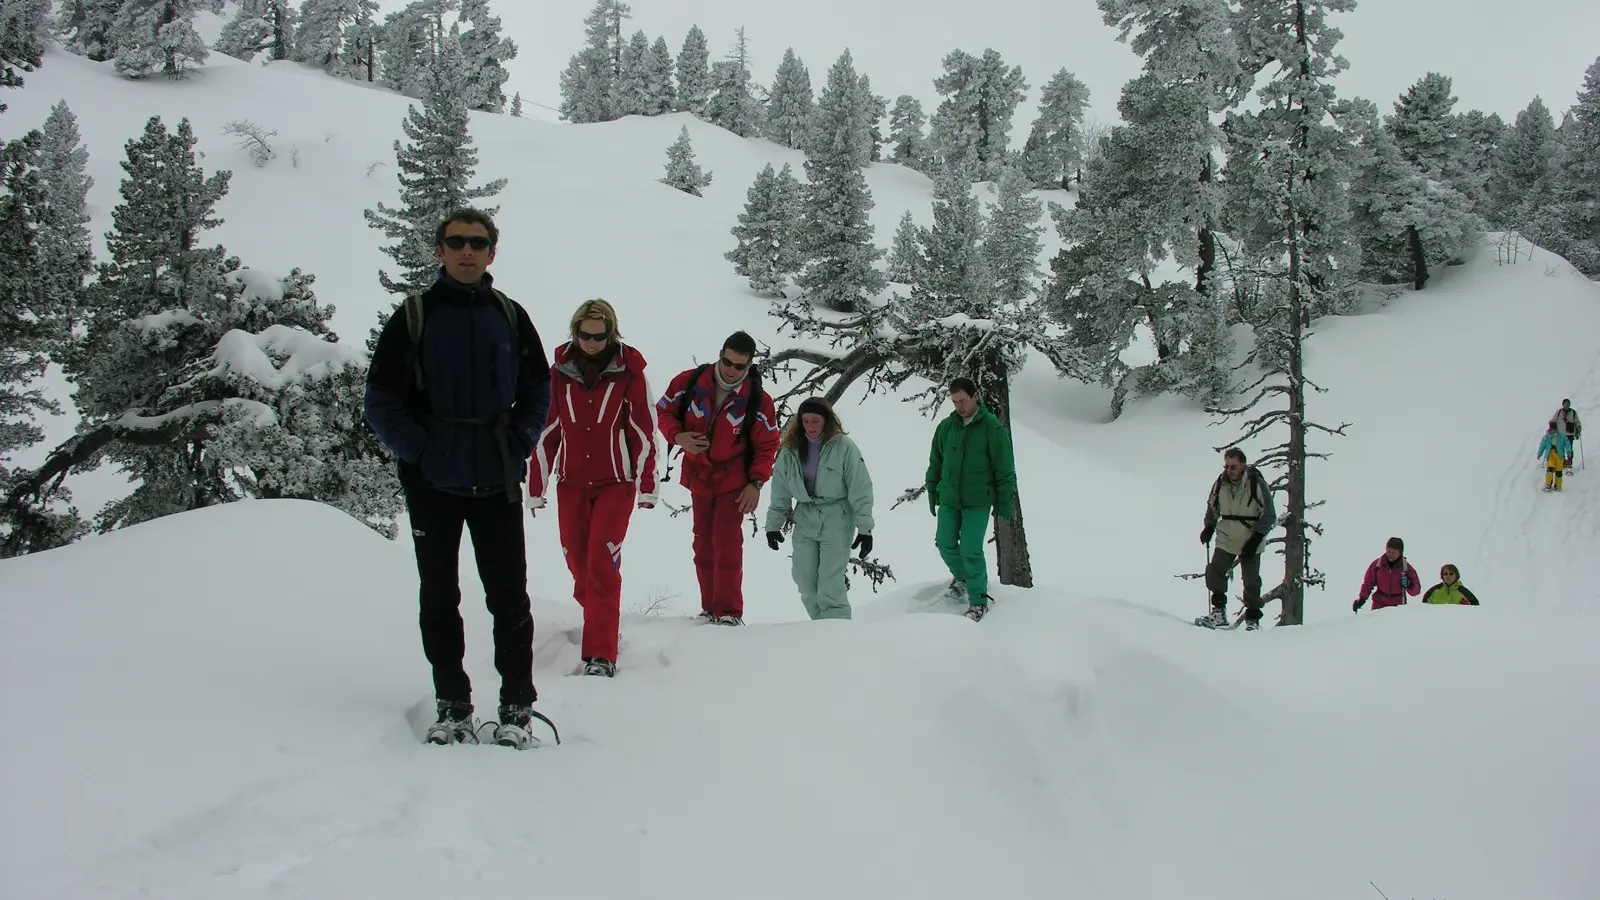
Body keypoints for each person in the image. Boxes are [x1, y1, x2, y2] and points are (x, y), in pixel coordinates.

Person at [363, 208, 553, 749]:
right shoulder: (414, 317)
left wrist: (517, 442)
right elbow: (380, 399)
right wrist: (422, 451)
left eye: (477, 242)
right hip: (432, 485)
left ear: (493, 252)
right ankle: (453, 706)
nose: (466, 251)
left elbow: (539, 389)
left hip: (496, 480)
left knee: (509, 599)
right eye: (456, 242)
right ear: (440, 250)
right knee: (440, 597)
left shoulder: (510, 316)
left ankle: (516, 708)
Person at [528, 299, 659, 678]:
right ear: (574, 332)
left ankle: (600, 654)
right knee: (578, 563)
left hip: (616, 485)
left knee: (601, 563)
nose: (591, 342)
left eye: (599, 336)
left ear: (611, 334)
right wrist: (536, 486)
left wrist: (647, 485)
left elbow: (642, 432)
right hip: (570, 484)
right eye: (584, 335)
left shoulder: (629, 373)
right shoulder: (558, 374)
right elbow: (547, 431)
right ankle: (603, 616)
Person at [655, 331, 780, 625]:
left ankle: (729, 612)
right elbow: (663, 411)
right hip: (699, 476)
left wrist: (756, 483)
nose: (731, 370)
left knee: (726, 542)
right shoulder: (689, 382)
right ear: (720, 354)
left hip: (734, 481)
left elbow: (768, 445)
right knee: (702, 543)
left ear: (749, 365)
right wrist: (678, 436)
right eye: (727, 362)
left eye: (739, 366)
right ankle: (710, 608)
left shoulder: (758, 401)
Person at [763, 397, 875, 621]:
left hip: (837, 517)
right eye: (805, 421)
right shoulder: (790, 450)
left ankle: (838, 633)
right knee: (805, 581)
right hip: (805, 516)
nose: (811, 426)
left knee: (830, 583)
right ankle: (820, 631)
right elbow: (780, 491)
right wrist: (773, 524)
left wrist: (865, 528)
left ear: (827, 420)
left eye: (816, 420)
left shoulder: (844, 447)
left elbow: (860, 487)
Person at [925, 377, 1018, 622]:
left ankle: (978, 601)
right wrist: (933, 490)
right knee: (944, 543)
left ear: (975, 396)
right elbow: (936, 462)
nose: (959, 406)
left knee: (971, 549)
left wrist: (1004, 503)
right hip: (949, 498)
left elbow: (1005, 469)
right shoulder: (946, 427)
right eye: (955, 402)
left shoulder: (992, 428)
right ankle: (964, 577)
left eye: (963, 400)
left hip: (978, 500)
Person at [1198, 448, 1278, 630]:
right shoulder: (1220, 483)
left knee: (1251, 581)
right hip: (1226, 534)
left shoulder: (1256, 483)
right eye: (1226, 466)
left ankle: (1252, 619)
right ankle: (1219, 612)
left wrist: (1256, 538)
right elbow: (1212, 507)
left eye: (1233, 466)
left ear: (1243, 464)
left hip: (1250, 536)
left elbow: (1269, 515)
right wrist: (1209, 526)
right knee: (1215, 570)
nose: (1229, 470)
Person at [1354, 537, 1421, 612]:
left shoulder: (1406, 568)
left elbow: (1416, 590)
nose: (1390, 555)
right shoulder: (1377, 565)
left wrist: (1409, 584)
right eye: (1388, 551)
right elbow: (1368, 583)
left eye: (1394, 553)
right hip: (1379, 604)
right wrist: (1362, 599)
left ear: (1400, 553)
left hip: (1398, 606)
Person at [1538, 421, 1572, 492]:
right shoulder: (1547, 436)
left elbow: (1567, 443)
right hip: (1550, 454)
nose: (1553, 430)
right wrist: (1539, 453)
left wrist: (1568, 450)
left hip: (1559, 455)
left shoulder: (1562, 436)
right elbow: (1542, 445)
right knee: (1550, 469)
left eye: (1554, 428)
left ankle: (1558, 486)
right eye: (1551, 428)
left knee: (1558, 471)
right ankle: (1548, 485)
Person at [1551, 400, 1581, 471]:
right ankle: (1563, 461)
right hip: (1560, 434)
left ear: (1569, 404)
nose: (1566, 405)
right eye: (1565, 404)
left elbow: (1577, 422)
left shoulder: (1573, 412)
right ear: (1563, 404)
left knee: (1569, 448)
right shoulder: (1558, 412)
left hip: (1570, 434)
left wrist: (1578, 428)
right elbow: (1553, 420)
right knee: (1560, 448)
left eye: (1568, 404)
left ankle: (1569, 462)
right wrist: (1552, 427)